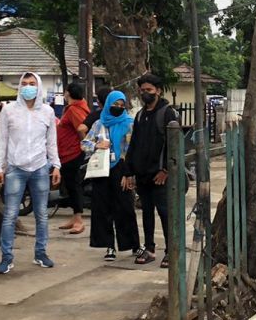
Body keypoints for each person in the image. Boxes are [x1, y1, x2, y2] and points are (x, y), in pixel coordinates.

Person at [0, 73, 60, 274]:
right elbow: (2, 140)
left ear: (38, 87)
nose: (28, 87)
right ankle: (6, 258)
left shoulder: (47, 112)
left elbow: (51, 142)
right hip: (15, 167)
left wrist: (56, 165)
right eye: (24, 84)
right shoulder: (9, 111)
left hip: (40, 167)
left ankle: (41, 253)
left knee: (42, 215)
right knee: (10, 215)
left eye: (32, 84)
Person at [124, 74, 181, 267]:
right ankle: (149, 249)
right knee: (146, 213)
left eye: (149, 90)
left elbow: (175, 144)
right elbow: (134, 145)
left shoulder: (167, 113)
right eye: (142, 90)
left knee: (165, 213)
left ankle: (170, 252)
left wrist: (166, 169)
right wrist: (129, 171)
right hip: (143, 175)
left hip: (161, 176)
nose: (145, 93)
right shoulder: (140, 115)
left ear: (158, 90)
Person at [83, 90, 140, 261]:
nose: (118, 108)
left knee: (125, 208)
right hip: (101, 170)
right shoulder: (99, 124)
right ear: (108, 104)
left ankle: (133, 244)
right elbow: (84, 143)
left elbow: (133, 149)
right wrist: (96, 145)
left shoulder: (129, 123)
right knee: (102, 208)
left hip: (121, 169)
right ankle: (109, 246)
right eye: (115, 104)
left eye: (121, 105)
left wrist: (129, 173)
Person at [56, 84, 91, 234]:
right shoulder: (74, 108)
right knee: (70, 186)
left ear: (68, 93)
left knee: (74, 186)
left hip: (73, 153)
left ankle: (78, 219)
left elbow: (82, 128)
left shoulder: (74, 110)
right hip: (66, 153)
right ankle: (74, 217)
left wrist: (85, 146)